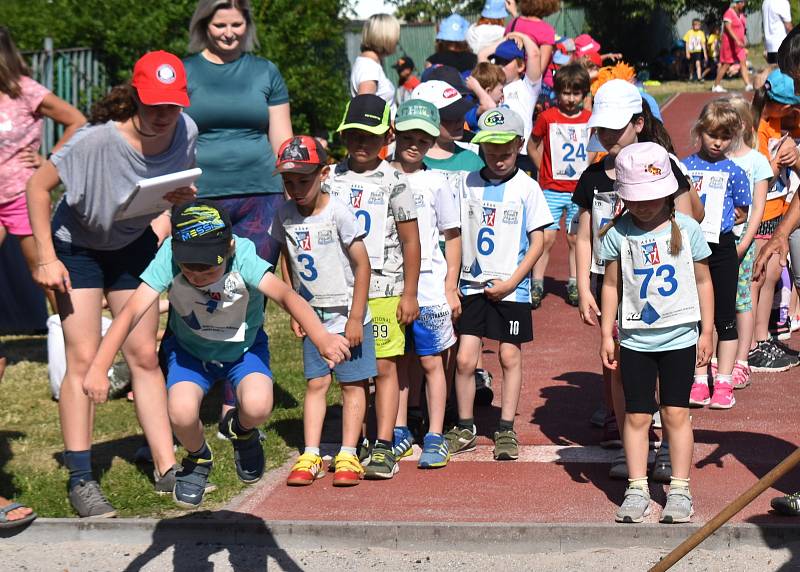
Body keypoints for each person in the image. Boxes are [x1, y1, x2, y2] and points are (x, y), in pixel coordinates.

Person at [82, 200, 349, 507]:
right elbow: (130, 313)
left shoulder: (244, 255)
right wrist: (99, 366)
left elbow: (287, 296)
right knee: (180, 413)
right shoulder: (169, 253)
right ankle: (198, 459)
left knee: (259, 406)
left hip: (243, 351)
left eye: (208, 268)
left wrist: (321, 336)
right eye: (188, 268)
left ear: (230, 248)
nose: (197, 276)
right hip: (190, 353)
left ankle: (242, 430)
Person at [26, 51, 197, 517]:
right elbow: (37, 189)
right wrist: (45, 256)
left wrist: (172, 207)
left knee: (143, 354)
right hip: (75, 246)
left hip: (130, 242)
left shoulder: (186, 131)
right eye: (156, 104)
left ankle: (167, 466)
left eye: (174, 104)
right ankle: (81, 478)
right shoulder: (94, 141)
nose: (165, 115)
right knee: (83, 357)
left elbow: (171, 189)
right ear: (136, 96)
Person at [573, 79, 701, 481]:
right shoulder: (594, 176)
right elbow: (582, 234)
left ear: (639, 123)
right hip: (613, 276)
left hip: (662, 283)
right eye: (602, 128)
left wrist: (681, 183)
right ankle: (626, 431)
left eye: (616, 127)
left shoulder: (664, 168)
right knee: (618, 364)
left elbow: (688, 219)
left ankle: (663, 443)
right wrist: (581, 285)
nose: (607, 135)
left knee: (664, 365)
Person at [599, 142, 714, 524]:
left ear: (668, 191)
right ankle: (637, 487)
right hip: (635, 340)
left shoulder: (689, 229)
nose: (644, 205)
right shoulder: (617, 234)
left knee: (676, 413)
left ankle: (680, 488)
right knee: (635, 416)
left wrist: (708, 330)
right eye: (635, 198)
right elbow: (612, 286)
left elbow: (703, 281)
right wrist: (606, 333)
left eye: (651, 197)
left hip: (680, 337)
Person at [446, 107, 552, 461]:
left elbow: (538, 242)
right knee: (464, 358)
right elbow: (457, 234)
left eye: (505, 152)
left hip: (513, 288)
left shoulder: (527, 187)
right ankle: (464, 426)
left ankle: (506, 428)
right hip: (473, 285)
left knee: (509, 354)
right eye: (491, 152)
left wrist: (513, 282)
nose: (499, 159)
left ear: (520, 146)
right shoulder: (467, 182)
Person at [324, 94, 421, 479]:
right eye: (353, 135)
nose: (361, 144)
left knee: (383, 366)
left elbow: (411, 240)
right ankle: (356, 439)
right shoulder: (329, 177)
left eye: (370, 136)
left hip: (384, 290)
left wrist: (409, 292)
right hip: (341, 291)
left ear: (387, 135)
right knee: (351, 371)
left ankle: (383, 444)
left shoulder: (395, 180)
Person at [269, 136, 375, 487]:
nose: (296, 189)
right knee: (316, 382)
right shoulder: (283, 215)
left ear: (323, 174)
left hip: (347, 314)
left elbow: (362, 266)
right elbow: (288, 257)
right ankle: (311, 452)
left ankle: (348, 452)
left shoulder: (338, 213)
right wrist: (295, 309)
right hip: (313, 316)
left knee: (352, 384)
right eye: (288, 182)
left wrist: (356, 317)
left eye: (304, 180)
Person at [184, 0, 292, 267]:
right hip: (200, 193)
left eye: (236, 24)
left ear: (248, 25)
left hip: (262, 194)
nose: (228, 32)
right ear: (204, 25)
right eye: (220, 25)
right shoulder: (184, 72)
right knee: (198, 281)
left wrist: (293, 189)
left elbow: (282, 140)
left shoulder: (266, 71)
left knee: (253, 285)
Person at [390, 99, 461, 469]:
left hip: (431, 289)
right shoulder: (383, 177)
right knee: (397, 361)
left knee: (432, 361)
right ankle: (399, 429)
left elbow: (452, 235)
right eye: (407, 136)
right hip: (389, 288)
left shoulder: (437, 181)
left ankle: (435, 433)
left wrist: (451, 285)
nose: (414, 143)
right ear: (394, 133)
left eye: (423, 137)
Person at [0, 27, 86, 309]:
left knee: (48, 277)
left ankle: (75, 337)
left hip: (20, 196)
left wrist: (50, 160)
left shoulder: (24, 90)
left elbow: (77, 120)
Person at [683, 100, 751, 410]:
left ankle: (723, 380)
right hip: (691, 247)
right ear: (700, 131)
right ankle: (699, 379)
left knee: (724, 315)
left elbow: (741, 210)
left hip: (721, 246)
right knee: (695, 315)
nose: (717, 142)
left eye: (724, 136)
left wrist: (730, 219)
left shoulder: (735, 171)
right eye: (712, 134)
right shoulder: (685, 167)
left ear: (734, 136)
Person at [528, 63, 592, 309]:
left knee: (576, 238)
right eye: (565, 92)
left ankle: (575, 282)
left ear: (584, 93)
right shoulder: (547, 117)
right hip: (551, 189)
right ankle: (537, 283)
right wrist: (542, 170)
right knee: (546, 238)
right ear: (557, 92)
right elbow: (532, 145)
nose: (570, 98)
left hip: (578, 190)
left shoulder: (588, 119)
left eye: (576, 93)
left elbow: (596, 148)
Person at [718, 96, 772, 391]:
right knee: (714, 300)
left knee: (741, 300)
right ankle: (716, 358)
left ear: (740, 125)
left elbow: (757, 213)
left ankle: (741, 360)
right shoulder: (716, 160)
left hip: (742, 245)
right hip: (715, 244)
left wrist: (743, 245)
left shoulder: (757, 162)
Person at [748, 70, 800, 371]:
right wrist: (778, 161)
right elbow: (755, 171)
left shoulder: (777, 122)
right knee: (757, 280)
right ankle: (753, 345)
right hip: (762, 215)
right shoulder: (757, 129)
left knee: (770, 278)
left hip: (777, 209)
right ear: (778, 104)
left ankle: (763, 336)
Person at [480, 34, 543, 176]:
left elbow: (534, 54)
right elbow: (482, 55)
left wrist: (520, 35)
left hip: (521, 154)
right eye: (497, 61)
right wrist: (506, 38)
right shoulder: (493, 86)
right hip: (494, 152)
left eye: (505, 61)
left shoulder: (527, 87)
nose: (499, 65)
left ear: (521, 65)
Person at [412, 79, 485, 173]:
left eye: (461, 113)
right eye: (451, 116)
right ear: (425, 120)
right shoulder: (406, 162)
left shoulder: (471, 161)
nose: (460, 121)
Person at [350, 13, 401, 115]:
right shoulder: (369, 67)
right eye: (396, 35)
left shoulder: (368, 63)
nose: (397, 40)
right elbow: (365, 114)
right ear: (385, 36)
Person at [503, 0, 558, 91]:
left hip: (513, 83)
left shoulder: (513, 24)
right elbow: (539, 70)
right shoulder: (546, 30)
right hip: (539, 89)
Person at [713, 0, 752, 93]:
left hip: (740, 46)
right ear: (736, 3)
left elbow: (743, 29)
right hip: (729, 45)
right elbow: (728, 28)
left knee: (743, 63)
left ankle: (748, 85)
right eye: (741, 2)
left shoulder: (741, 14)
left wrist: (744, 39)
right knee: (726, 65)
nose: (743, 4)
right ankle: (716, 85)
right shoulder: (728, 13)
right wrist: (736, 39)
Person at [465, 62, 506, 132]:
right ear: (488, 91)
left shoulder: (502, 106)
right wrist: (476, 87)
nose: (503, 94)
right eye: (501, 90)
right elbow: (490, 107)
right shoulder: (470, 109)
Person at [763, 0, 793, 67]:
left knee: (775, 74)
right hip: (781, 44)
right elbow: (788, 26)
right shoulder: (782, 2)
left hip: (769, 46)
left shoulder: (765, 2)